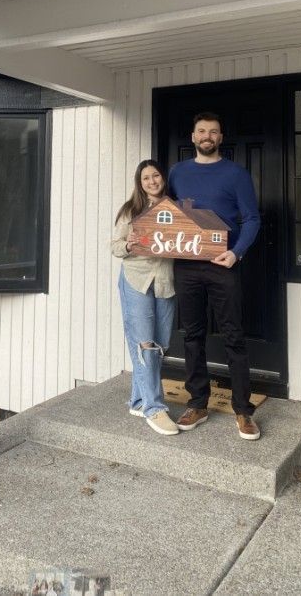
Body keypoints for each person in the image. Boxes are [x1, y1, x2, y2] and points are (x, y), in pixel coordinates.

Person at [167, 112, 262, 440]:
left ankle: (242, 410)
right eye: (202, 131)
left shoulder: (236, 174)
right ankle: (198, 403)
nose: (207, 136)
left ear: (221, 138)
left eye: (214, 132)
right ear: (193, 137)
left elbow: (252, 219)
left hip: (224, 264)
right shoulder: (177, 173)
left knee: (234, 336)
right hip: (186, 265)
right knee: (192, 335)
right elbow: (165, 215)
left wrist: (236, 253)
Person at [112, 160, 179, 435]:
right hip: (136, 280)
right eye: (146, 178)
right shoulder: (131, 210)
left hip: (165, 282)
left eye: (155, 176)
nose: (152, 181)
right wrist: (131, 243)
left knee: (160, 344)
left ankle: (138, 401)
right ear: (139, 184)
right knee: (145, 344)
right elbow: (115, 247)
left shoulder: (176, 210)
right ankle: (154, 407)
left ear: (162, 178)